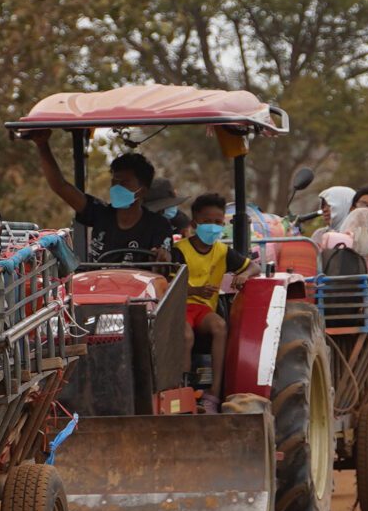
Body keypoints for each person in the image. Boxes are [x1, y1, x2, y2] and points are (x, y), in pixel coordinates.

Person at [30, 132, 175, 263]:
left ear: (142, 191)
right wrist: (42, 146)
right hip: (97, 283)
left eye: (124, 182)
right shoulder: (101, 213)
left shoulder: (158, 225)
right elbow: (60, 186)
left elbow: (163, 258)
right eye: (114, 181)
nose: (117, 187)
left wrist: (162, 256)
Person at [173, 193, 251, 409]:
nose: (213, 227)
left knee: (220, 326)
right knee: (185, 335)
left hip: (203, 309)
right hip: (180, 306)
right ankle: (182, 391)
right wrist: (196, 289)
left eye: (218, 222)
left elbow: (253, 266)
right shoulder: (180, 250)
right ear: (194, 223)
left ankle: (214, 393)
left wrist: (244, 274)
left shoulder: (223, 252)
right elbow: (171, 286)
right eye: (207, 221)